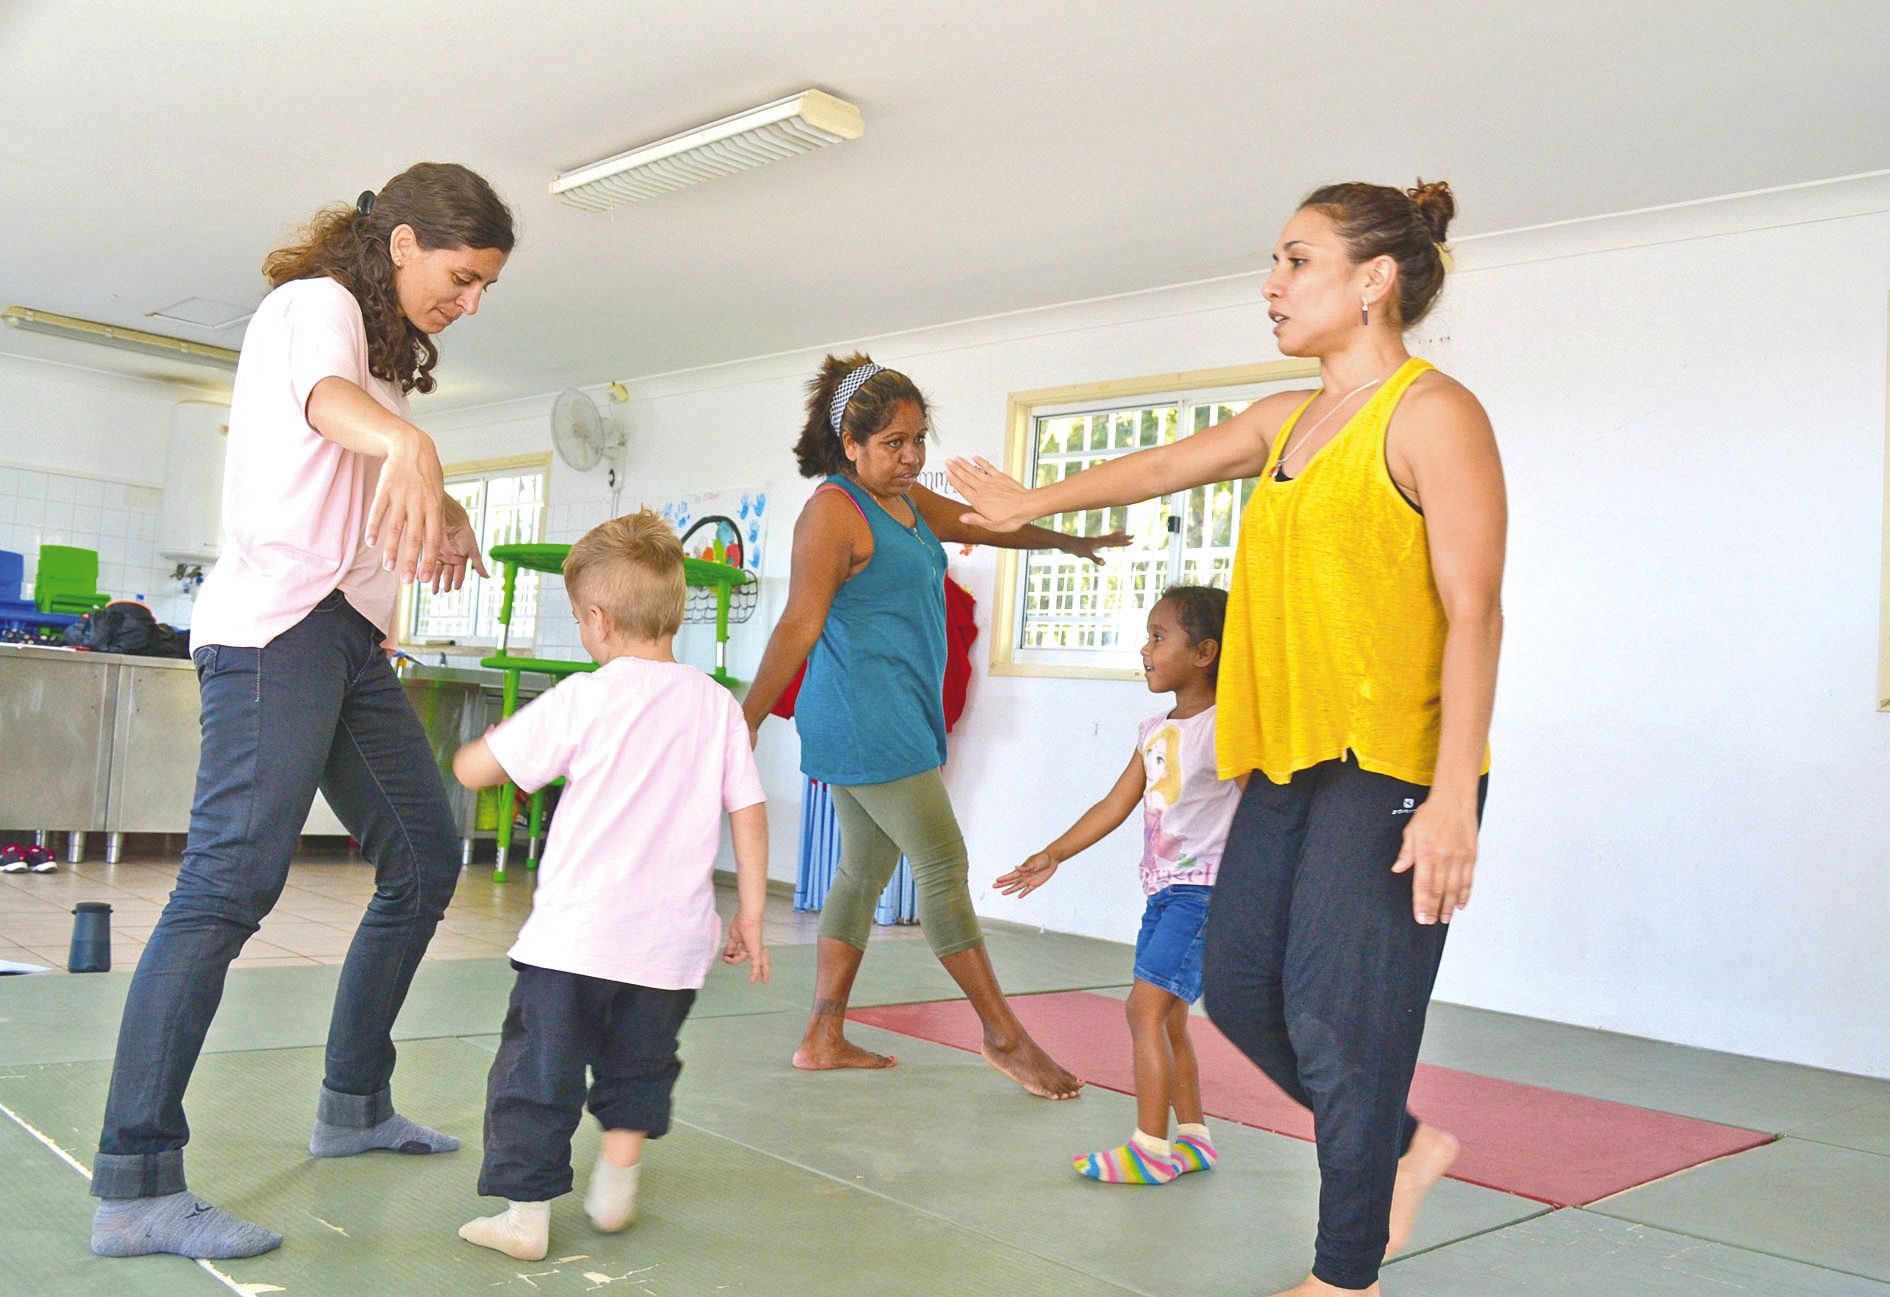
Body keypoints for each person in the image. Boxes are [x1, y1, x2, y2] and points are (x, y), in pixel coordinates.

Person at [949, 180, 1505, 1297]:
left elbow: (1475, 609)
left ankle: (1342, 1277)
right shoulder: (1289, 419)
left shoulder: (1433, 412)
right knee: (1244, 988)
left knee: (1345, 1020)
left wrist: (1453, 797)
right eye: (1276, 262)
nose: (1272, 284)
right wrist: (1029, 504)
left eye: (1297, 260)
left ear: (1374, 279)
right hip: (1288, 759)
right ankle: (1402, 1142)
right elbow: (1161, 467)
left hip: (1391, 764)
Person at [90, 163, 515, 1261]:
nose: (468, 304)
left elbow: (357, 454)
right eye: (462, 278)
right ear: (406, 241)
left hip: (346, 638)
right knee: (231, 880)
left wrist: (444, 500)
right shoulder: (313, 307)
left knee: (425, 854)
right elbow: (332, 412)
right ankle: (136, 1178)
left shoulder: (383, 358)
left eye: (484, 291)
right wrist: (413, 447)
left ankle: (353, 1103)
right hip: (276, 626)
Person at [742, 354, 1127, 1100]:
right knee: (943, 864)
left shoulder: (909, 505)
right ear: (850, 445)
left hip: (897, 705)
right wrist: (746, 718)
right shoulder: (833, 511)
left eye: (918, 439)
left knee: (861, 870)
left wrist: (1068, 543)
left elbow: (990, 522)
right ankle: (1004, 1034)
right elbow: (799, 622)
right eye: (893, 442)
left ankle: (823, 1033)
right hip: (862, 712)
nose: (912, 456)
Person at [450, 510, 770, 1263]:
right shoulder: (718, 704)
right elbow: (748, 811)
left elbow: (476, 769)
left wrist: (473, 752)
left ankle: (526, 1216)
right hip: (670, 945)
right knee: (641, 1062)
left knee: (539, 1070)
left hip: (576, 937)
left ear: (597, 620)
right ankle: (616, 1182)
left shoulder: (587, 697)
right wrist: (752, 908)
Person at [995, 585, 1239, 1183]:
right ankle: (1195, 1137)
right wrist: (1054, 853)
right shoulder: (1154, 729)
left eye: (1159, 637)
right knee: (1170, 1017)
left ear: (1204, 652)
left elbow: (1266, 816)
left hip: (1205, 894)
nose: (1146, 649)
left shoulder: (1230, 729)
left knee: (1143, 1010)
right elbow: (1114, 804)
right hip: (1163, 892)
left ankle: (1150, 1150)